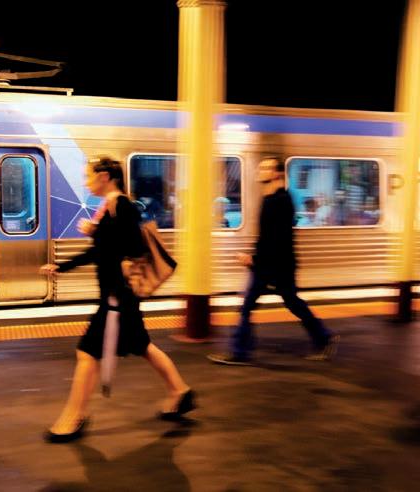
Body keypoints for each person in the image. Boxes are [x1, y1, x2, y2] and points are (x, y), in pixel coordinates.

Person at [40, 156, 194, 443]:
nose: (86, 181)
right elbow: (101, 251)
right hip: (120, 298)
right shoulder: (110, 207)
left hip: (117, 298)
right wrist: (62, 266)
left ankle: (75, 417)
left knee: (87, 353)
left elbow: (132, 247)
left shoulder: (121, 206)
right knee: (142, 345)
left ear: (105, 176)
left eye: (88, 176)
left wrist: (99, 233)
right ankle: (180, 391)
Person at [208, 157, 338, 365]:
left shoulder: (279, 201)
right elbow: (268, 237)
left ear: (277, 173)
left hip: (276, 265)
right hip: (272, 264)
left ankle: (241, 352)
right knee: (284, 303)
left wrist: (253, 259)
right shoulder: (271, 199)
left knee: (267, 305)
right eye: (260, 167)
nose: (260, 171)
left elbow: (277, 239)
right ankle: (323, 338)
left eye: (266, 168)